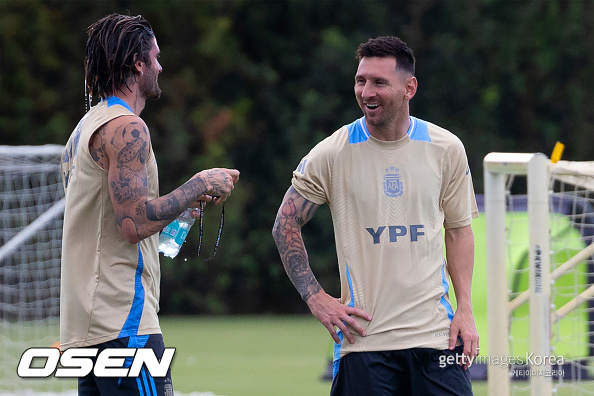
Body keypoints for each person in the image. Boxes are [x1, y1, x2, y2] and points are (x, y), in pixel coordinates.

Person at [272, 36, 479, 395]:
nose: (367, 91)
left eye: (379, 82)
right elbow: (285, 224)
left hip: (436, 338)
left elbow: (458, 231)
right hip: (364, 343)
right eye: (361, 80)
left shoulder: (446, 148)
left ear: (409, 87)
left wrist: (465, 309)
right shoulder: (332, 153)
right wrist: (315, 297)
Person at [60, 13, 239, 395]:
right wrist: (198, 183)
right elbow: (133, 224)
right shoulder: (128, 128)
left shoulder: (83, 129)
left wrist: (185, 208)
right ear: (138, 64)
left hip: (89, 324)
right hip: (123, 321)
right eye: (155, 57)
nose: (161, 65)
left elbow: (110, 223)